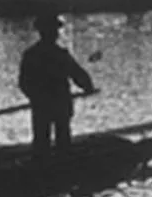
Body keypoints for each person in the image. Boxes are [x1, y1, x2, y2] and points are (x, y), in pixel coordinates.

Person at [18, 14, 96, 160]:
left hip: (51, 105)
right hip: (52, 105)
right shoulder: (53, 55)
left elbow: (77, 74)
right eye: (53, 30)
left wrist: (87, 85)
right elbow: (24, 82)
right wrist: (88, 86)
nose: (55, 34)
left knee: (51, 139)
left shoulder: (34, 55)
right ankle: (54, 165)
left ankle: (50, 165)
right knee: (53, 140)